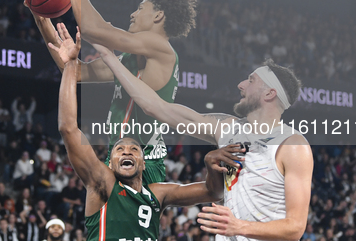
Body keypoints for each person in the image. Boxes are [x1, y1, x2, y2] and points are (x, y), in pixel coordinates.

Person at [95, 43, 313, 241]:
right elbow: (155, 107)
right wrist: (109, 58)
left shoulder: (292, 145)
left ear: (269, 93)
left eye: (251, 80)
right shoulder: (228, 128)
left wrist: (239, 226)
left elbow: (294, 228)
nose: (241, 85)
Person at [50, 25, 243, 241]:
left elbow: (213, 192)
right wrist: (69, 66)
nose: (127, 152)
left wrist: (210, 162)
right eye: (119, 149)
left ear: (143, 163)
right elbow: (68, 127)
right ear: (110, 163)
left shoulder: (157, 194)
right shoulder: (101, 183)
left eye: (134, 149)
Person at [27, 0, 197, 185]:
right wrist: (41, 18)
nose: (133, 13)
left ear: (158, 15)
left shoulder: (161, 46)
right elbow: (75, 70)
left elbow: (93, 30)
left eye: (140, 7)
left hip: (143, 162)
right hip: (120, 157)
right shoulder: (127, 59)